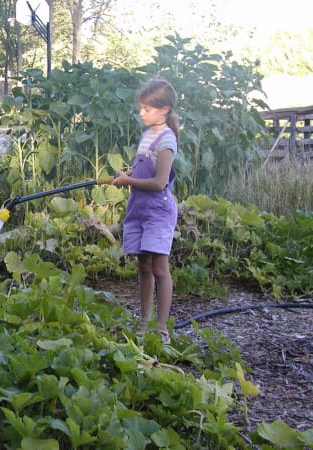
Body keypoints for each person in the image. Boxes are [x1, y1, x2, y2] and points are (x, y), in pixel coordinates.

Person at [113, 78, 180, 344]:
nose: (142, 113)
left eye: (147, 109)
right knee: (143, 266)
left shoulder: (166, 140)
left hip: (158, 212)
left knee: (159, 268)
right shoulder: (147, 134)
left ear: (164, 109)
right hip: (138, 209)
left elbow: (159, 182)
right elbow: (144, 169)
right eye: (140, 108)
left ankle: (161, 327)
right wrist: (130, 173)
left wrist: (129, 182)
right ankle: (144, 322)